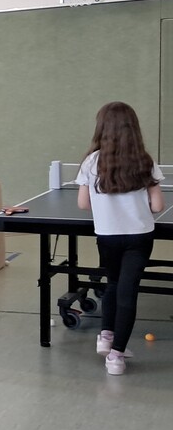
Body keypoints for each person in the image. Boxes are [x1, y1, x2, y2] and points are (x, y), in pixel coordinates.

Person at [75, 102, 165, 375]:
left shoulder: (91, 162)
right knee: (128, 292)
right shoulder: (144, 161)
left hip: (107, 237)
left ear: (101, 128)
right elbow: (158, 206)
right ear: (133, 128)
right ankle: (116, 357)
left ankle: (106, 336)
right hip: (138, 237)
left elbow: (83, 204)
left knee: (113, 283)